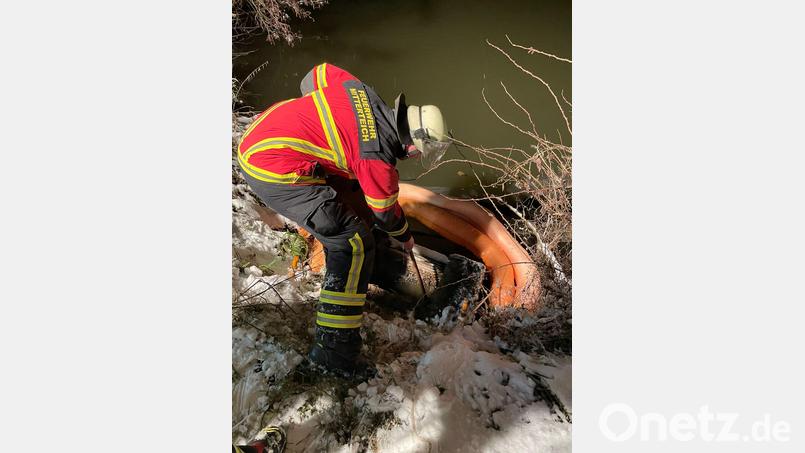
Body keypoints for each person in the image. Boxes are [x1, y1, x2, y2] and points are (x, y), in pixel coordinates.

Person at [237, 62, 449, 376]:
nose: (415, 156)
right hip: (270, 169)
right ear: (409, 144)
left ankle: (375, 269)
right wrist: (405, 236)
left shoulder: (360, 91)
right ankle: (334, 354)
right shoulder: (376, 156)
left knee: (351, 190)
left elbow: (315, 75)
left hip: (259, 133)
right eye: (418, 151)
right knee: (351, 243)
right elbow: (386, 212)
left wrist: (310, 125)